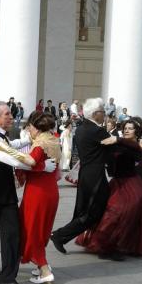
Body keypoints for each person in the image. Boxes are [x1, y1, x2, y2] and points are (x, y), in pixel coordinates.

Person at [0, 101, 55, 284]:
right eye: (7, 114)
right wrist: (41, 167)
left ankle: (8, 277)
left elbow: (12, 145)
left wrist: (33, 139)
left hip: (6, 194)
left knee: (12, 235)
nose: (11, 117)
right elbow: (12, 157)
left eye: (10, 114)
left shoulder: (2, 137)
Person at [0, 112, 61, 284]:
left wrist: (37, 166)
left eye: (30, 126)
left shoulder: (39, 145)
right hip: (51, 191)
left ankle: (44, 269)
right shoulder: (53, 140)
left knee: (30, 230)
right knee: (41, 229)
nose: (28, 130)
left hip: (37, 193)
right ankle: (39, 267)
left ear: (37, 127)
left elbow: (29, 162)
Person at [76, 119, 142, 257]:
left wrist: (117, 139)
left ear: (137, 131)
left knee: (123, 212)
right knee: (108, 212)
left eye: (130, 128)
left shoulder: (136, 145)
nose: (126, 130)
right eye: (125, 128)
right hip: (116, 183)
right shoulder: (116, 143)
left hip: (132, 184)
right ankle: (105, 244)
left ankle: (126, 244)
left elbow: (136, 150)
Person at [51, 98, 118, 257]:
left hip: (86, 173)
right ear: (96, 114)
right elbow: (112, 151)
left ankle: (102, 245)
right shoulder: (97, 131)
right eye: (103, 112)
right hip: (95, 176)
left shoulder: (81, 128)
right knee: (93, 213)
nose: (105, 115)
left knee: (92, 211)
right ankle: (59, 235)